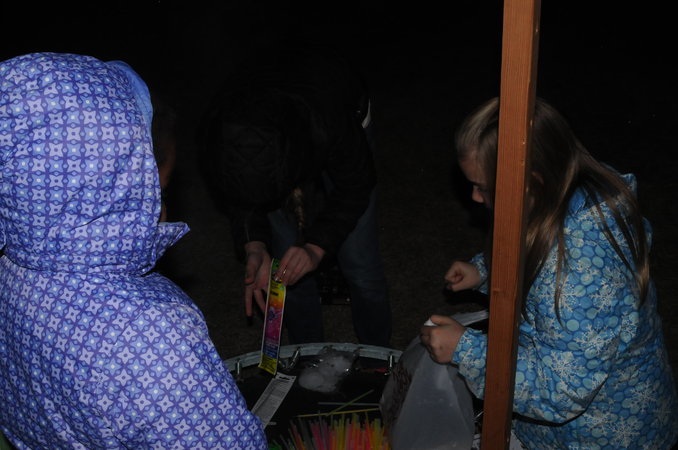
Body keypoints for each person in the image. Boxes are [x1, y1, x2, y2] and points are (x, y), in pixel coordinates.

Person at [0, 52, 267, 449]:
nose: (160, 202)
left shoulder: (10, 270)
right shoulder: (148, 336)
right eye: (157, 190)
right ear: (117, 178)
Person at [420, 97, 678, 449]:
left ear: (532, 182)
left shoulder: (581, 273)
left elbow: (561, 390)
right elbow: (534, 250)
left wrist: (467, 350)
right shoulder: (568, 192)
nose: (475, 197)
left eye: (484, 187)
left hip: (601, 435)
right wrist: (485, 271)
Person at [201, 41, 391, 346]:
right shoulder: (218, 135)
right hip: (277, 110)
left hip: (337, 100)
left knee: (359, 261)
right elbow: (239, 195)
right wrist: (254, 245)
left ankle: (377, 356)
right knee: (286, 265)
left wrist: (316, 247)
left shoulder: (329, 122)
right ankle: (306, 353)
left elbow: (356, 186)